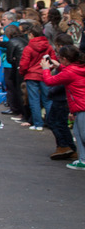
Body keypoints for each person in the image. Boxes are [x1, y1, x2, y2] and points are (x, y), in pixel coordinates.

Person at [42, 45, 85, 171]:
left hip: (81, 106)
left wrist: (45, 69)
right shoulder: (78, 67)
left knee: (82, 135)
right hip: (80, 106)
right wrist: (59, 66)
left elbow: (49, 81)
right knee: (78, 133)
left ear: (65, 59)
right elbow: (70, 72)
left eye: (60, 58)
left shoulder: (69, 72)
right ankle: (83, 159)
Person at [43, 33, 77, 161]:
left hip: (61, 96)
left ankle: (64, 145)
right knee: (60, 122)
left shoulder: (69, 68)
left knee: (54, 121)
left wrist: (46, 69)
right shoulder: (72, 63)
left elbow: (54, 81)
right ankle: (69, 147)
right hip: (64, 97)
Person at [19, 22, 54, 132]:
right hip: (45, 74)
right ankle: (51, 122)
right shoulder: (48, 46)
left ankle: (38, 123)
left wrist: (23, 72)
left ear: (31, 35)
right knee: (47, 100)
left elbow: (24, 64)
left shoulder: (28, 48)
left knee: (34, 101)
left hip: (32, 75)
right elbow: (53, 60)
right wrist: (48, 69)